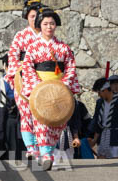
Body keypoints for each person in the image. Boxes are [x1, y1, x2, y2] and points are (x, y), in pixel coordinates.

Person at [19, 9, 81, 170]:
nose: (49, 27)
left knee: (58, 122)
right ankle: (46, 155)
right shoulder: (33, 47)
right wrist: (38, 87)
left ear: (56, 26)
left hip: (59, 89)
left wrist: (64, 84)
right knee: (41, 120)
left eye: (52, 24)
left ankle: (47, 151)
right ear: (40, 25)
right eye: (45, 24)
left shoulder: (63, 47)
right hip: (39, 89)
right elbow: (27, 68)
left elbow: (70, 67)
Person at [6, 0, 45, 156]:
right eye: (32, 16)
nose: (35, 19)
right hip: (23, 79)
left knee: (43, 115)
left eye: (37, 16)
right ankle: (31, 147)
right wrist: (18, 74)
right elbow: (13, 57)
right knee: (26, 114)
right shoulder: (21, 36)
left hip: (43, 78)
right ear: (27, 17)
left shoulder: (46, 36)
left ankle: (43, 147)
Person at [89, 77, 118, 159]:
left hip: (117, 139)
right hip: (103, 139)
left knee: (116, 164)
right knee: (102, 163)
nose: (99, 95)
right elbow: (97, 122)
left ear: (105, 90)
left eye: (99, 92)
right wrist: (94, 140)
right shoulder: (100, 102)